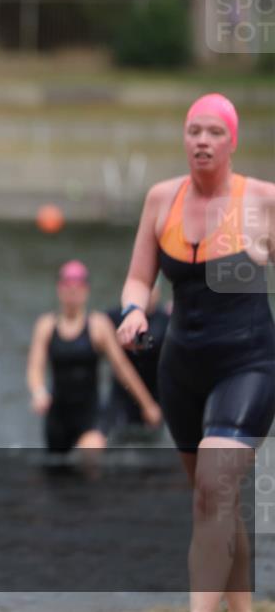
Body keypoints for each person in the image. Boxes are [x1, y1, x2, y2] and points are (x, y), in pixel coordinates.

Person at [116, 93, 275, 612]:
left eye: (215, 132)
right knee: (214, 500)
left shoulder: (263, 201)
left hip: (248, 365)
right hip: (181, 370)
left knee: (213, 486)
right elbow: (138, 278)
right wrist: (134, 311)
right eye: (194, 131)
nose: (203, 141)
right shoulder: (162, 199)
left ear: (233, 141)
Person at [27, 260, 162, 453]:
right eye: (67, 287)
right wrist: (38, 392)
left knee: (90, 455)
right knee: (57, 469)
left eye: (77, 288)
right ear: (59, 289)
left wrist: (147, 405)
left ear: (86, 290)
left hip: (90, 415)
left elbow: (122, 368)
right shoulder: (46, 326)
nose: (72, 293)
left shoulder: (98, 325)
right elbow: (35, 367)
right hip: (57, 416)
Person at [100, 281, 170, 442]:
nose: (148, 295)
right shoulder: (112, 319)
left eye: (152, 289)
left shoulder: (166, 320)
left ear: (158, 292)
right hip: (122, 398)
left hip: (157, 397)